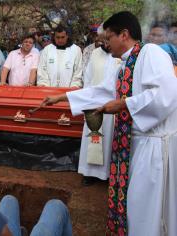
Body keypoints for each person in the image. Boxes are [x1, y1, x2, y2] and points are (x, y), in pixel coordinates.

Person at [41, 11, 177, 235]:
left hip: (154, 150)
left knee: (146, 209)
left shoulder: (151, 53)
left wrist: (124, 105)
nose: (105, 43)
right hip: (135, 146)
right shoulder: (123, 66)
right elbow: (102, 92)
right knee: (134, 206)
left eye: (109, 37)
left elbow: (167, 94)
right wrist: (61, 97)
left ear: (124, 35)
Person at [78, 25, 121, 185]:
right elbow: (88, 80)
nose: (104, 41)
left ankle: (108, 175)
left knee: (110, 139)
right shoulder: (95, 55)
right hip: (94, 106)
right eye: (102, 38)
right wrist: (86, 103)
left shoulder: (120, 56)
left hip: (113, 107)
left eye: (107, 38)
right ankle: (89, 173)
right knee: (93, 138)